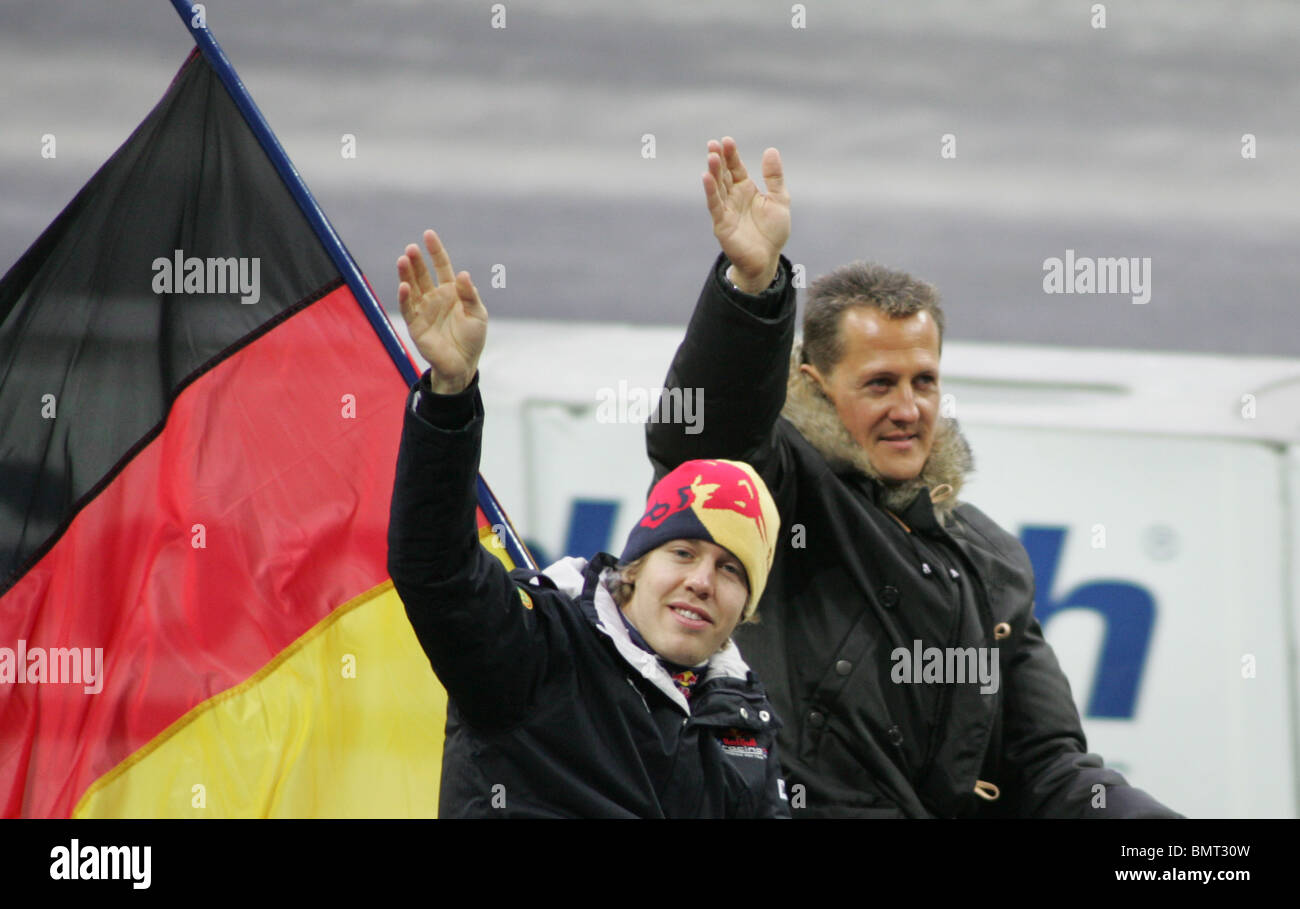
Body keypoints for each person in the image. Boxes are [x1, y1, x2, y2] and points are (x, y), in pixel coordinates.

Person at [645, 138, 1179, 818]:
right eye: (880, 384)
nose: (908, 408)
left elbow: (1047, 767)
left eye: (924, 381)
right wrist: (751, 288)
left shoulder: (992, 560)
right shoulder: (775, 490)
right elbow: (698, 441)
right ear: (813, 385)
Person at [386, 229, 789, 818]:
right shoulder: (537, 650)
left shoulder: (743, 723)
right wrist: (450, 397)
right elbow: (435, 569)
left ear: (747, 607)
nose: (702, 581)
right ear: (636, 565)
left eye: (731, 570)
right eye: (682, 553)